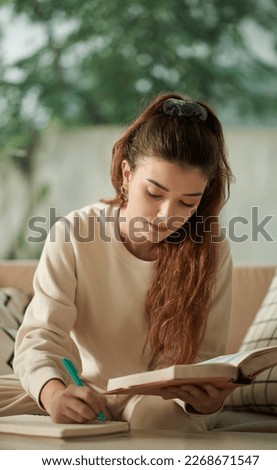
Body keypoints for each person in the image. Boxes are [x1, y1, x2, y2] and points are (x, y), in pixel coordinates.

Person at [0, 92, 235, 431]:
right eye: (154, 193)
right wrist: (53, 395)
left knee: (157, 419)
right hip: (89, 390)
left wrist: (207, 400)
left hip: (163, 400)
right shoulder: (74, 233)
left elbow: (205, 358)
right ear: (127, 174)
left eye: (187, 203)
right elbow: (41, 335)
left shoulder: (210, 247)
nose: (167, 215)